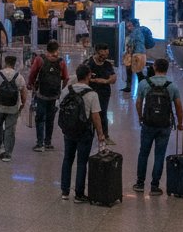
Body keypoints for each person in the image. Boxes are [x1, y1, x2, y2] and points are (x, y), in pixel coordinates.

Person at [134, 58, 183, 195]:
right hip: (164, 125)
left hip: (148, 123)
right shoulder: (172, 85)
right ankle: (155, 186)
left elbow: (138, 103)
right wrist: (180, 123)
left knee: (143, 153)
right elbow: (179, 107)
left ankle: (139, 183)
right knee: (160, 155)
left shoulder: (144, 83)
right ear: (167, 69)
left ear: (154, 67)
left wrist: (140, 117)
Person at [58, 63, 107, 203]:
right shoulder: (92, 94)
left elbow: (60, 107)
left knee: (67, 158)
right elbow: (96, 116)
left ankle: (64, 191)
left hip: (68, 130)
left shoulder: (66, 90)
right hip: (84, 131)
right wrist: (101, 135)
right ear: (89, 76)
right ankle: (79, 194)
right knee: (81, 162)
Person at [28, 40, 68, 152]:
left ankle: (40, 144)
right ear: (57, 50)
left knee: (40, 119)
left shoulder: (40, 59)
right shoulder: (61, 62)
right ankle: (48, 143)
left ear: (47, 49)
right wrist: (61, 90)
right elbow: (66, 78)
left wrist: (30, 85)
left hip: (41, 94)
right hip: (54, 96)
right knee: (50, 119)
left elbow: (32, 73)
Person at [0, 53, 26, 162]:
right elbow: (23, 92)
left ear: (5, 63)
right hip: (13, 108)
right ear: (14, 64)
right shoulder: (19, 76)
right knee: (10, 129)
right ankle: (8, 154)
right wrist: (22, 105)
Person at [83, 43, 117, 145]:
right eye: (102, 55)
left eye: (106, 55)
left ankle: (104, 136)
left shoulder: (107, 65)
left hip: (104, 94)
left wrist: (106, 81)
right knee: (88, 115)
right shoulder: (88, 64)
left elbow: (114, 78)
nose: (104, 58)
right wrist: (95, 80)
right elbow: (82, 78)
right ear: (97, 53)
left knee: (103, 114)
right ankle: (88, 136)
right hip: (90, 94)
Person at [122, 19, 147, 91]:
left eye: (129, 26)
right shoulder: (140, 32)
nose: (128, 27)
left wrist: (127, 53)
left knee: (136, 72)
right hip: (141, 53)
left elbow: (131, 44)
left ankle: (139, 88)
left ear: (134, 25)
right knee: (136, 71)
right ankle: (132, 87)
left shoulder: (134, 32)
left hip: (136, 54)